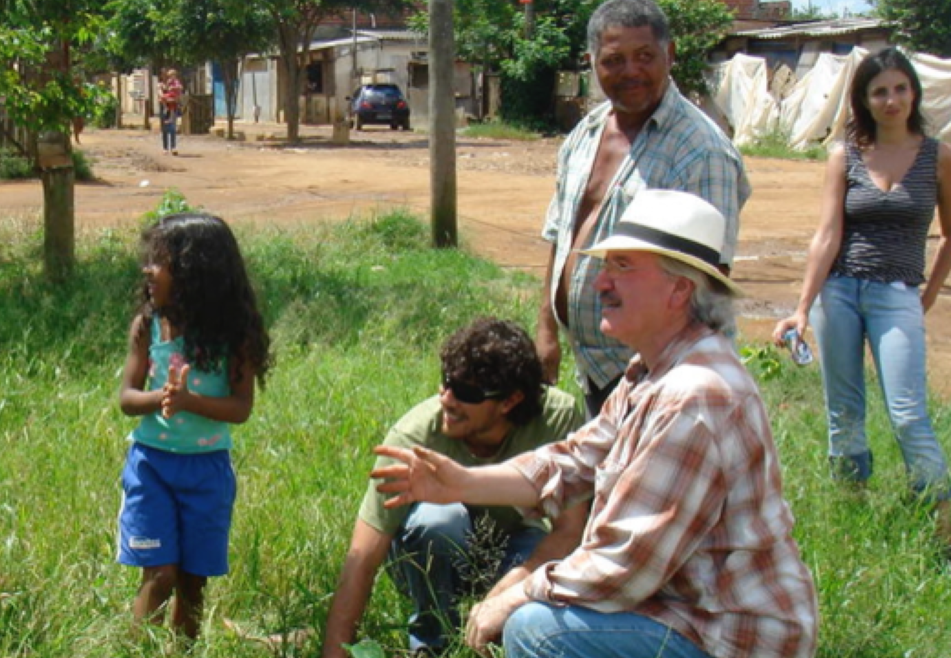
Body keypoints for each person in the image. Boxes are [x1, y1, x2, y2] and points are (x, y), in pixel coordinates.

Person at [374, 191, 818, 658]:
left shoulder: (695, 397)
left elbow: (624, 566)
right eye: (606, 266)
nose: (601, 282)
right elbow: (573, 462)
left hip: (729, 639)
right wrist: (460, 482)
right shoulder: (651, 372)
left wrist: (516, 593)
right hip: (685, 615)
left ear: (680, 289)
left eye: (623, 266)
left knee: (536, 629)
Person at [772, 47, 951, 553]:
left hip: (896, 293)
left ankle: (942, 531)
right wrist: (800, 307)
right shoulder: (846, 153)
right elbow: (827, 234)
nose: (891, 99)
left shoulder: (937, 156)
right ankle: (850, 512)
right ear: (864, 99)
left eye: (900, 88)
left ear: (914, 92)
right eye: (880, 91)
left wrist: (927, 296)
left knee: (907, 413)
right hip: (838, 293)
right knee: (845, 412)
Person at [322, 318, 585, 658]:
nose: (447, 399)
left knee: (541, 580)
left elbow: (570, 531)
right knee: (437, 522)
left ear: (510, 401)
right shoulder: (414, 439)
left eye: (466, 392)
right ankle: (430, 644)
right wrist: (334, 652)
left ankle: (493, 640)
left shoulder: (557, 419)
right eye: (446, 383)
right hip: (427, 552)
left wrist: (504, 596)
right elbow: (362, 557)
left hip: (513, 544)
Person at [537, 0, 750, 418]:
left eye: (645, 57)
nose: (630, 71)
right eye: (614, 60)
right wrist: (547, 328)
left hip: (661, 375)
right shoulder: (586, 134)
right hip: (598, 370)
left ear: (669, 56)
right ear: (592, 63)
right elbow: (560, 235)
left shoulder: (700, 151)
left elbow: (706, 280)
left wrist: (657, 381)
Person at [117, 212, 272, 639]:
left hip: (207, 472)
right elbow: (127, 399)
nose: (148, 270)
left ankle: (181, 649)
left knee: (192, 580)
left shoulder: (233, 335)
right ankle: (140, 650)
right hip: (151, 468)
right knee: (160, 575)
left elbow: (240, 408)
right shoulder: (147, 326)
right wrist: (161, 397)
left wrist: (189, 400)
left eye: (159, 261)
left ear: (193, 273)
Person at [159, 69, 184, 155]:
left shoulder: (175, 83)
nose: (169, 77)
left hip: (173, 107)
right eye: (168, 76)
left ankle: (173, 147)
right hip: (165, 108)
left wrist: (173, 93)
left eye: (172, 75)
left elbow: (179, 91)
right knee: (165, 129)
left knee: (173, 128)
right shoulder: (161, 85)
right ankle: (165, 148)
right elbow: (161, 96)